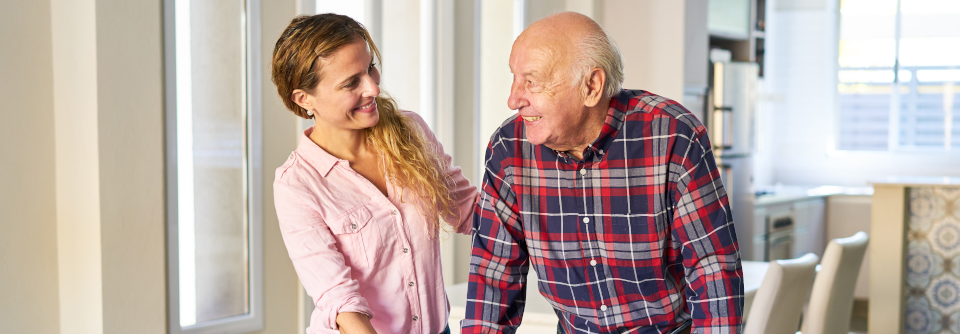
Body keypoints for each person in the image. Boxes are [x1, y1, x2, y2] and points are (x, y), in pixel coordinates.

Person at [460, 12, 743, 334]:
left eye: (532, 81)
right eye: (514, 77)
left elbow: (712, 268)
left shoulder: (672, 135)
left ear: (591, 86)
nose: (513, 99)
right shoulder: (509, 149)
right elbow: (493, 274)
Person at [270, 14, 478, 334]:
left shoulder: (411, 131)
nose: (373, 87)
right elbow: (340, 300)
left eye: (370, 68)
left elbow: (468, 210)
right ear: (304, 99)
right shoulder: (296, 185)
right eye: (351, 82)